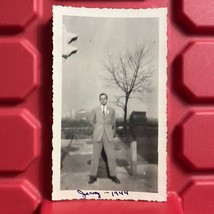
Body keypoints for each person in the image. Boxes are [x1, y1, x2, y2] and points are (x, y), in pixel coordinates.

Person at [88, 93, 120, 184]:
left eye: (104, 98)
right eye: (101, 99)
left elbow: (113, 123)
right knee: (95, 156)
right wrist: (97, 127)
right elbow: (91, 121)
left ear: (107, 99)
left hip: (108, 135)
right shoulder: (95, 110)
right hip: (98, 135)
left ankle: (113, 175)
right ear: (99, 100)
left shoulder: (112, 110)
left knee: (111, 156)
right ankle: (93, 176)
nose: (103, 100)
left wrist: (112, 133)